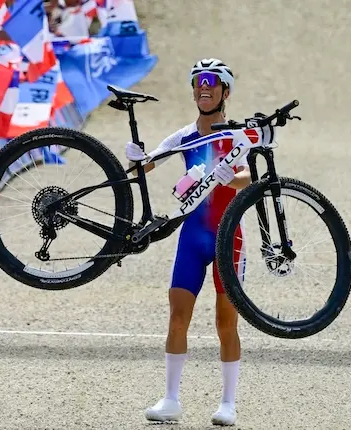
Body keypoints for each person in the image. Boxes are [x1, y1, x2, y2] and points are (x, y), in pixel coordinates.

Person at [125, 58, 260, 426]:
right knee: (177, 317)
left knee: (226, 323)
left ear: (225, 91)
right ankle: (170, 400)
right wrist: (136, 158)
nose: (204, 87)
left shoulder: (235, 136)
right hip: (192, 237)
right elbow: (146, 165)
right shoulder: (184, 135)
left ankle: (228, 403)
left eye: (212, 82)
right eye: (199, 81)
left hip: (227, 239)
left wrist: (230, 176)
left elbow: (251, 177)